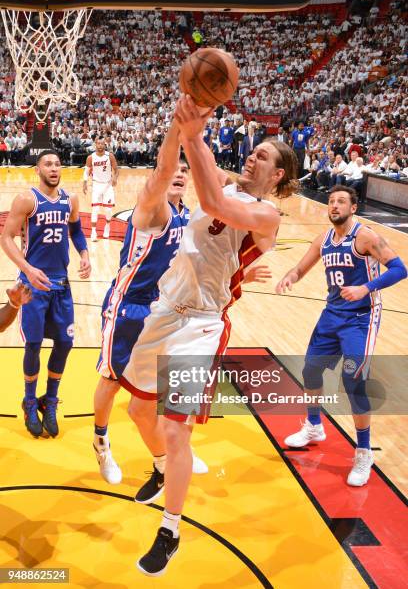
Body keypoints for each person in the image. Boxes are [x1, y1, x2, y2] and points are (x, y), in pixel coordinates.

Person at [121, 94, 298, 576]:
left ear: (278, 174)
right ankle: (159, 469)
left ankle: (170, 530)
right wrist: (179, 128)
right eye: (254, 149)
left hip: (201, 324)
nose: (253, 155)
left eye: (264, 154)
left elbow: (213, 202)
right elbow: (173, 169)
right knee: (138, 410)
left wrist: (196, 132)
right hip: (163, 312)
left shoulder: (268, 217)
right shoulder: (217, 174)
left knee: (176, 428)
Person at [93, 120, 205, 483]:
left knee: (164, 381)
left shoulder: (187, 216)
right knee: (111, 380)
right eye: (174, 169)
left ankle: (173, 447)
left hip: (162, 306)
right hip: (128, 303)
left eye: (184, 171)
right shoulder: (155, 209)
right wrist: (178, 128)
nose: (179, 174)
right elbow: (161, 170)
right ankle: (101, 444)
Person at [276, 185, 407, 487]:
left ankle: (363, 451)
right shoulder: (323, 239)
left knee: (354, 380)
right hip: (331, 315)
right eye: (332, 201)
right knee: (310, 369)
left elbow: (400, 269)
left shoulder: (366, 237)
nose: (334, 206)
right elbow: (302, 267)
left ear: (354, 208)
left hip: (360, 319)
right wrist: (290, 276)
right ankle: (313, 426)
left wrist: (366, 288)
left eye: (341, 202)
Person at [0, 150, 91, 438]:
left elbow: (76, 230)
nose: (54, 168)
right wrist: (27, 269)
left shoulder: (70, 199)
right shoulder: (27, 199)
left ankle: (49, 400)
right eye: (48, 164)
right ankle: (29, 401)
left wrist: (85, 253)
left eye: (57, 164)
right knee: (34, 345)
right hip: (33, 286)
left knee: (64, 342)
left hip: (61, 284)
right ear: (38, 169)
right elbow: (6, 238)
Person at [83, 137, 119, 242]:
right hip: (96, 185)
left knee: (108, 210)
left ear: (105, 145)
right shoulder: (91, 157)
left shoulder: (110, 156)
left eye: (102, 144)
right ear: (95, 145)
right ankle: (93, 232)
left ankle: (107, 227)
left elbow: (116, 170)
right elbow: (86, 171)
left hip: (108, 185)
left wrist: (115, 178)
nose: (100, 145)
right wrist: (84, 183)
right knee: (95, 209)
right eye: (98, 144)